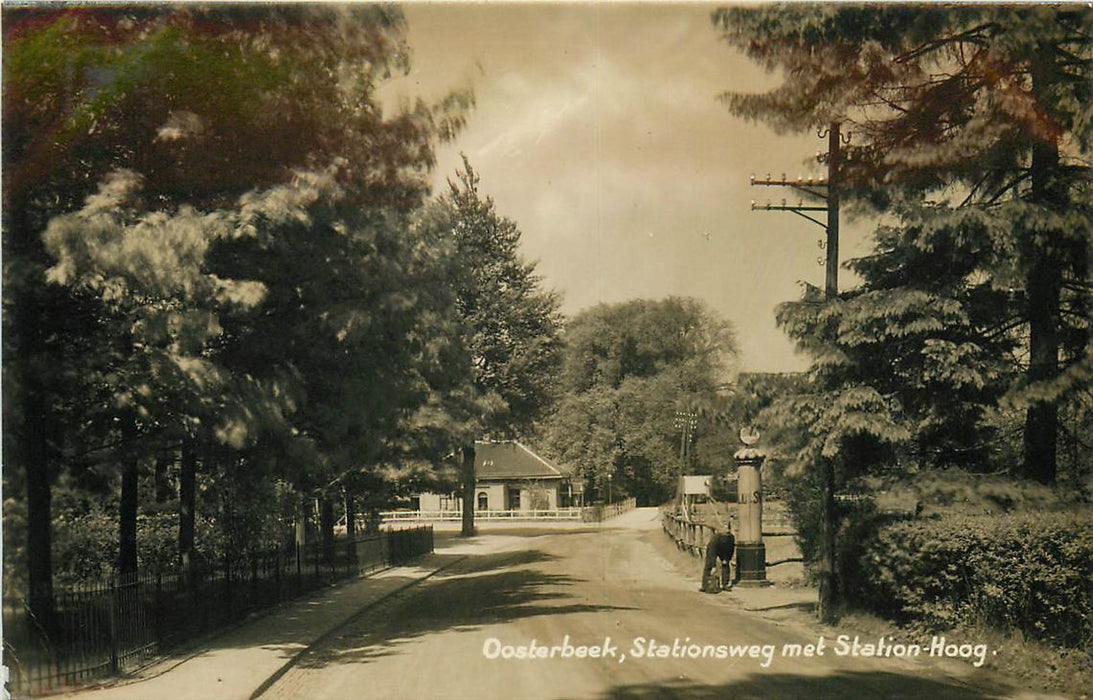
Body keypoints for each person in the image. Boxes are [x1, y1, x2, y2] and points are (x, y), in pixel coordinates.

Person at [701, 526, 735, 593]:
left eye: (727, 535)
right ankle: (705, 585)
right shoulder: (715, 540)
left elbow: (730, 549)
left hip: (725, 551)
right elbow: (712, 553)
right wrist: (713, 565)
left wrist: (726, 558)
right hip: (714, 549)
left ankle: (725, 584)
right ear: (720, 535)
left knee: (725, 565)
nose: (725, 538)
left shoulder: (731, 538)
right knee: (708, 565)